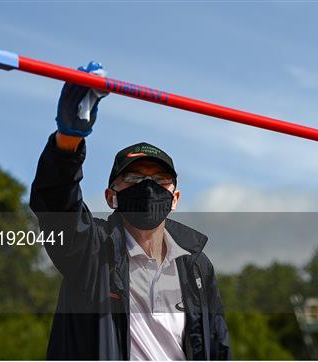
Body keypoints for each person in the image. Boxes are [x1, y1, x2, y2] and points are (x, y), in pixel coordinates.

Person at [30, 61, 230, 360]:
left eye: (159, 180)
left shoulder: (197, 267)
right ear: (112, 196)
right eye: (134, 179)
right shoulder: (91, 250)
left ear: (174, 198)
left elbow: (216, 347)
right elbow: (57, 203)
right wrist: (67, 142)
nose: (148, 187)